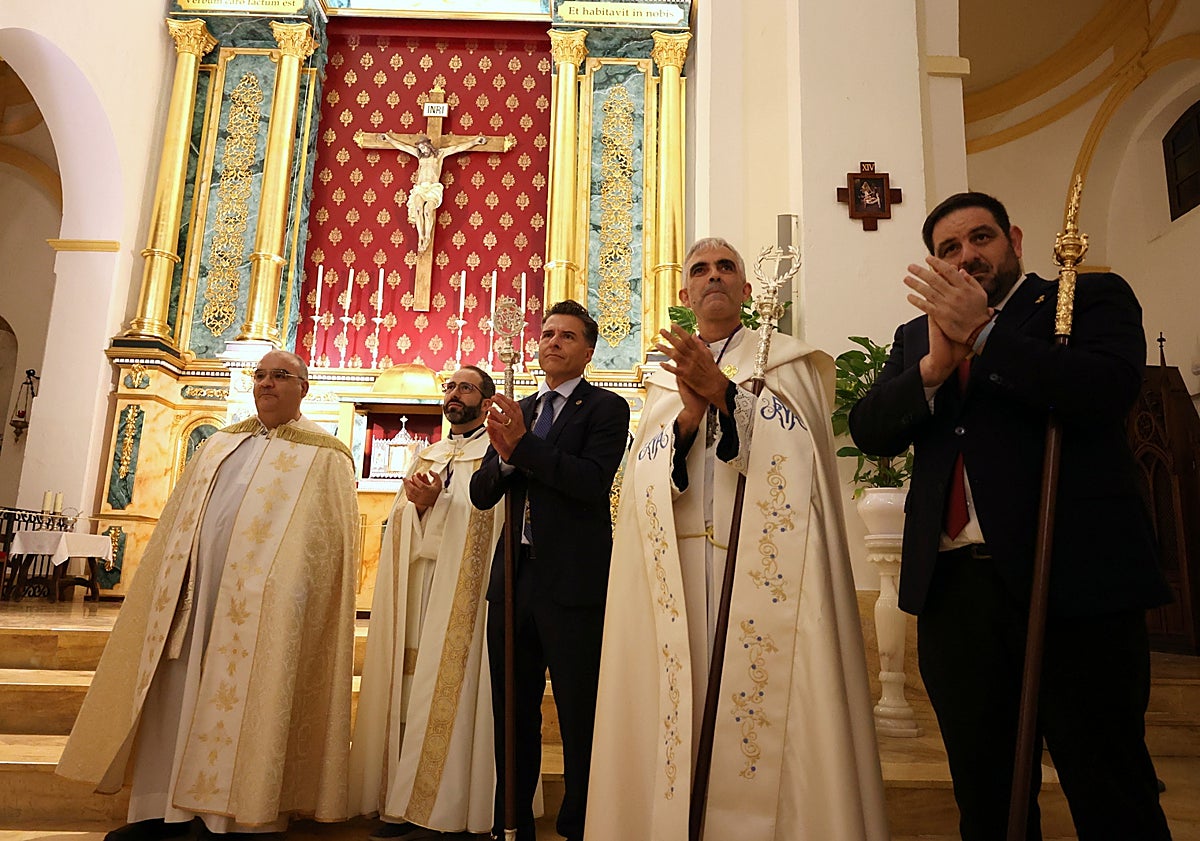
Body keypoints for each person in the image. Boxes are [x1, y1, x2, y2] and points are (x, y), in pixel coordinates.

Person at [848, 192, 1173, 841]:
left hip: (1072, 587)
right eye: (948, 248)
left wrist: (987, 337)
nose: (966, 255)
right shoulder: (917, 336)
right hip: (957, 600)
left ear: (1014, 239)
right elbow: (871, 429)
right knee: (987, 797)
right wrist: (937, 366)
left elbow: (1104, 389)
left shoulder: (1083, 301)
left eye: (980, 238)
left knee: (1110, 789)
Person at [585, 238, 889, 841]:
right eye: (700, 269)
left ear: (747, 292)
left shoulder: (787, 362)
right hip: (682, 574)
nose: (714, 277)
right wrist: (690, 415)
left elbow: (802, 460)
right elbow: (641, 478)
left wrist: (726, 394)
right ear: (685, 295)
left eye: (727, 268)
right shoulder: (662, 382)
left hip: (759, 577)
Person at [57, 350, 360, 840]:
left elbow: (327, 550)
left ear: (304, 387)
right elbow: (182, 518)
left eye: (280, 376)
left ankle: (234, 814)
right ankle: (165, 808)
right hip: (195, 599)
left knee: (245, 698)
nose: (266, 384)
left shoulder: (326, 455)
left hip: (266, 613)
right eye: (259, 375)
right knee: (177, 694)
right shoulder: (220, 443)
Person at [469, 299, 630, 841]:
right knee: (511, 713)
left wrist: (523, 446)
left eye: (566, 335)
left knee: (579, 711)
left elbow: (589, 481)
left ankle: (581, 825)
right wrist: (508, 451)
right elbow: (481, 492)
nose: (553, 342)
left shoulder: (605, 409)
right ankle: (511, 823)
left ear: (587, 350)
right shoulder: (521, 408)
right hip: (514, 581)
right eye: (547, 333)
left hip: (573, 583)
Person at [349, 365, 503, 839]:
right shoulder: (428, 455)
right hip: (419, 589)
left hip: (466, 593)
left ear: (486, 400)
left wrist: (445, 504)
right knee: (410, 689)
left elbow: (489, 522)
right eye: (450, 386)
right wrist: (418, 506)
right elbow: (398, 525)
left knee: (453, 690)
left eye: (466, 388)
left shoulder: (495, 454)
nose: (455, 394)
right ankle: (399, 798)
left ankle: (445, 805)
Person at [377, 132, 487, 253]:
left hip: (432, 188)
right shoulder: (419, 156)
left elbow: (457, 148)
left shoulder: (439, 154)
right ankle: (421, 237)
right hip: (420, 187)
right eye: (420, 148)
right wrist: (388, 139)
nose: (422, 150)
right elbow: (403, 146)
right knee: (418, 208)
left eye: (423, 147)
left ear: (428, 145)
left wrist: (475, 141)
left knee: (428, 210)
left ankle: (427, 236)